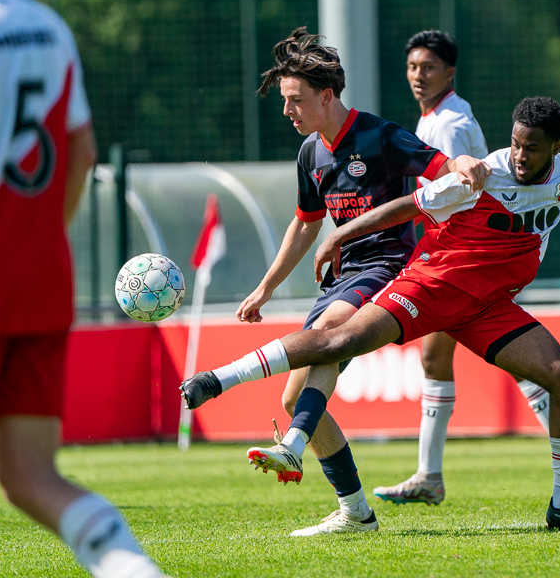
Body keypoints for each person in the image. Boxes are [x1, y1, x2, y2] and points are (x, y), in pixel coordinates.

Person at [183, 96, 560, 533]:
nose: (520, 156)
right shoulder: (485, 176)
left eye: (531, 148)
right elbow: (410, 205)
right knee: (341, 341)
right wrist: (342, 235)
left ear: (555, 146)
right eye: (515, 144)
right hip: (431, 286)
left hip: (488, 306)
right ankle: (216, 380)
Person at [182, 27, 485, 537]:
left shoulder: (381, 136)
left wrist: (464, 163)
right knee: (293, 398)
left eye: (294, 100)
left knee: (328, 336)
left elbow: (439, 163)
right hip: (344, 278)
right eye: (284, 100)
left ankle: (266, 422)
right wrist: (266, 287)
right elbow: (305, 223)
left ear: (326, 96)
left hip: (391, 268)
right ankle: (356, 511)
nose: (287, 111)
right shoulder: (310, 154)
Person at [0, 0, 169, 576]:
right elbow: (83, 151)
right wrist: (40, 243)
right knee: (29, 475)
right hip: (39, 280)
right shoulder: (46, 25)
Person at [372, 30, 560, 507]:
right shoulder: (438, 116)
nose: (419, 76)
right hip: (461, 253)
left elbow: (462, 190)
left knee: (501, 357)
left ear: (449, 73)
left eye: (429, 68)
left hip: (468, 256)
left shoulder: (450, 125)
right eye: (413, 67)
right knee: (450, 358)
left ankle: (432, 476)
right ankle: (429, 475)